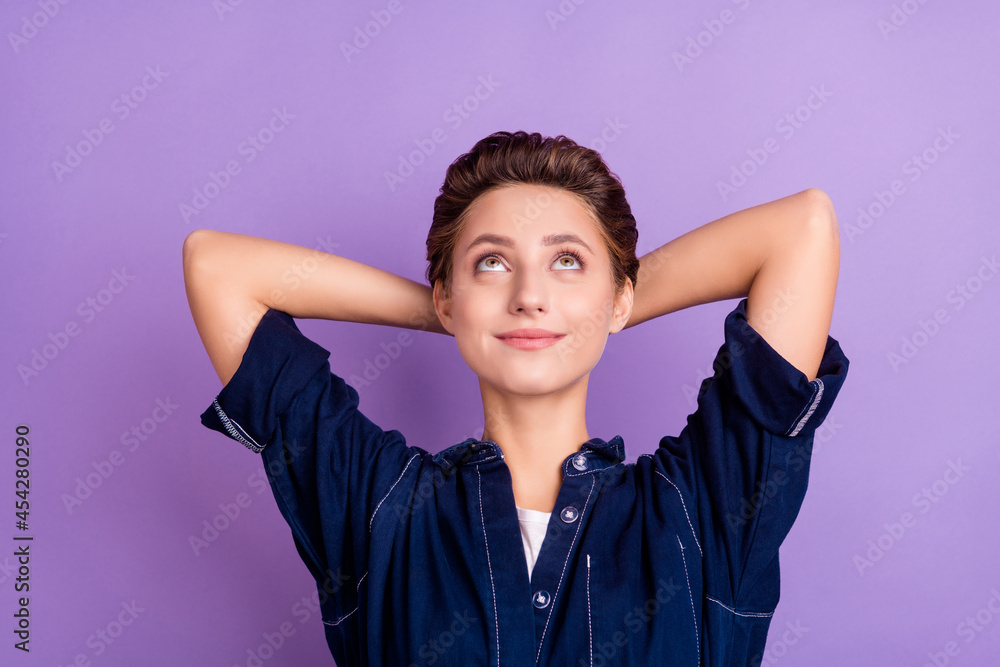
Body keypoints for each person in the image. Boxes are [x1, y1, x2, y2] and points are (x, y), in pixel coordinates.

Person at [184, 130, 849, 666]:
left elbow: (801, 230)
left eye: (567, 262)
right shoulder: (376, 501)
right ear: (447, 295)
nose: (529, 294)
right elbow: (217, 267)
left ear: (620, 292)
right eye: (491, 263)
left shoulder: (701, 504)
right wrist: (457, 314)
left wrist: (596, 310)